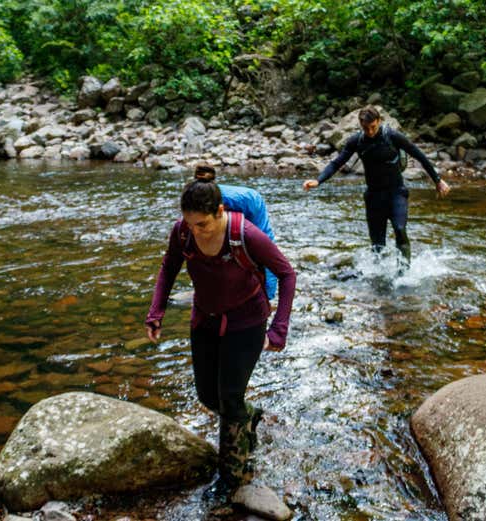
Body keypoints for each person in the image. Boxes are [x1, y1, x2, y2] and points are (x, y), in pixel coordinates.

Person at [145, 170, 296, 492]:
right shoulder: (182, 233)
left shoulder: (246, 234)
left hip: (247, 322)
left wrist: (279, 327)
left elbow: (286, 274)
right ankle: (248, 416)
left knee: (229, 396)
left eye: (202, 224)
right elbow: (169, 266)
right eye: (189, 223)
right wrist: (156, 311)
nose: (195, 231)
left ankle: (235, 478)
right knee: (206, 394)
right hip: (205, 320)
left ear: (220, 212)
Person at [302, 106, 451, 265]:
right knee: (377, 245)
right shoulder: (356, 141)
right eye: (366, 128)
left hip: (397, 193)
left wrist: (438, 180)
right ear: (361, 125)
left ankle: (404, 273)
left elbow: (419, 156)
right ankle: (378, 276)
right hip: (373, 197)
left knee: (400, 229)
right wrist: (319, 180)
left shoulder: (393, 136)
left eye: (373, 127)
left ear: (379, 121)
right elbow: (337, 162)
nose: (370, 132)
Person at [201, 165, 278, 300]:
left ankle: (268, 295)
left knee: (260, 251)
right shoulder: (192, 201)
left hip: (251, 206)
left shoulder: (243, 199)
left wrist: (268, 296)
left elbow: (267, 248)